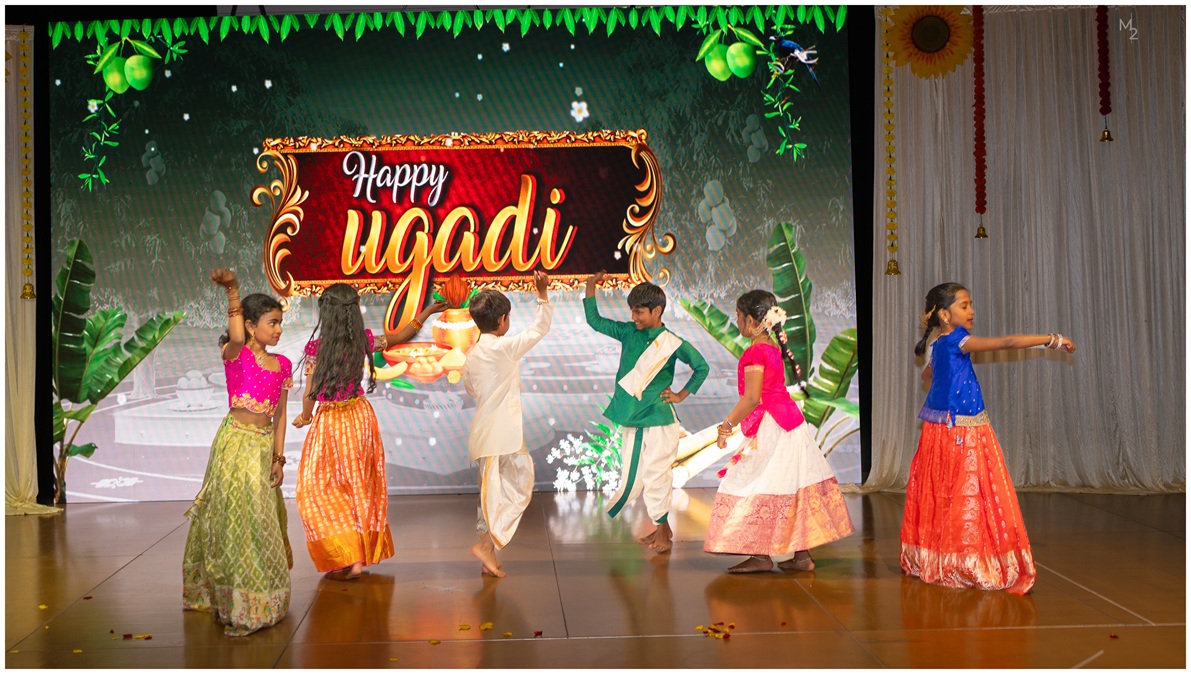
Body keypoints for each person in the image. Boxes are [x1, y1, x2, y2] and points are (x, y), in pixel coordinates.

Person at [902, 282, 1076, 594]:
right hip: (963, 431)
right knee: (970, 493)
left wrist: (945, 386)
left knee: (946, 493)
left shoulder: (938, 343)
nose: (972, 311)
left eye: (970, 304)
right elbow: (1007, 342)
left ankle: (941, 557)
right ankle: (967, 560)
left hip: (940, 428)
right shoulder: (958, 340)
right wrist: (1051, 339)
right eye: (964, 305)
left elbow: (928, 375)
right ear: (944, 315)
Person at [292, 284, 446, 580]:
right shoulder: (362, 341)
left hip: (331, 422)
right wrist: (426, 312)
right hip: (359, 419)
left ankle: (349, 555)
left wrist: (306, 416)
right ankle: (356, 557)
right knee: (357, 487)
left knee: (317, 489)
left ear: (327, 313)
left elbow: (310, 392)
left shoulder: (316, 349)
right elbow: (400, 336)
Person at [703, 289, 854, 573]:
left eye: (738, 316)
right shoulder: (772, 347)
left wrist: (726, 426)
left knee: (752, 483)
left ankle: (761, 556)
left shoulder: (756, 351)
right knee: (789, 484)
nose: (736, 321)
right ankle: (801, 556)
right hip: (789, 422)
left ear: (751, 320)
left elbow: (751, 398)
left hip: (771, 426)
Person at [182, 268, 293, 636]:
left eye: (280, 323)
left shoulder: (283, 365)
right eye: (272, 323)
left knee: (259, 520)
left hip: (262, 448)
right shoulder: (236, 353)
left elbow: (280, 415)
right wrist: (232, 291)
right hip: (234, 444)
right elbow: (233, 334)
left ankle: (261, 597)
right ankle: (236, 601)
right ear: (249, 326)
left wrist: (278, 458)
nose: (278, 330)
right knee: (235, 520)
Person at [583, 272, 710, 553]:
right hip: (633, 417)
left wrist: (680, 395)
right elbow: (595, 321)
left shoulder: (672, 342)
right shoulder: (629, 332)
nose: (634, 317)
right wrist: (590, 288)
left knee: (655, 475)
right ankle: (662, 528)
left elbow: (702, 367)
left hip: (659, 419)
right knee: (639, 476)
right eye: (632, 311)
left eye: (639, 312)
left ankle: (662, 532)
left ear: (657, 311)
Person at [462, 270, 554, 578]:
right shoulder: (504, 348)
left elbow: (471, 390)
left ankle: (487, 550)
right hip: (498, 436)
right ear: (503, 320)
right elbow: (540, 328)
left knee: (493, 494)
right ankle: (485, 546)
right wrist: (542, 294)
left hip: (491, 434)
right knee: (508, 489)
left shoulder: (473, 354)